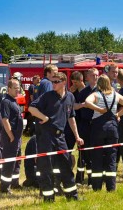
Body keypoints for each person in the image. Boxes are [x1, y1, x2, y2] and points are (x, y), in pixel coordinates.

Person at [28, 72, 83, 202]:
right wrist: (44, 117)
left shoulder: (70, 97)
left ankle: (72, 195)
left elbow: (71, 118)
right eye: (52, 81)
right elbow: (31, 108)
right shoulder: (47, 96)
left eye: (56, 82)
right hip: (45, 136)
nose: (53, 84)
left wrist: (77, 136)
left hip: (60, 137)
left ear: (64, 82)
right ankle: (48, 198)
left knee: (66, 165)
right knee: (45, 167)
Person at [84, 75, 123, 191]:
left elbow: (86, 102)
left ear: (99, 84)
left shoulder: (96, 94)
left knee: (97, 156)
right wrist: (117, 115)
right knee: (111, 157)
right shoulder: (115, 95)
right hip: (113, 128)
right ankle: (111, 187)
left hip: (98, 128)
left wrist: (99, 110)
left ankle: (97, 186)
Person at [0, 79, 24, 194]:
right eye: (15, 88)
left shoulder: (15, 101)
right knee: (9, 162)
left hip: (17, 137)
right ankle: (4, 188)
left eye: (18, 87)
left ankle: (15, 183)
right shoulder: (6, 102)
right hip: (11, 137)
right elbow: (5, 120)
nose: (18, 90)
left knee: (17, 161)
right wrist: (11, 136)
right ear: (9, 89)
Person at [74, 68, 98, 184]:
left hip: (97, 126)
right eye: (93, 75)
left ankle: (92, 179)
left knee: (95, 153)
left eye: (97, 75)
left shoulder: (101, 91)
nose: (95, 77)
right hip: (84, 125)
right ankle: (79, 177)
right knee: (83, 153)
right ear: (87, 77)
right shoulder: (83, 92)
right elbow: (75, 107)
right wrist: (83, 105)